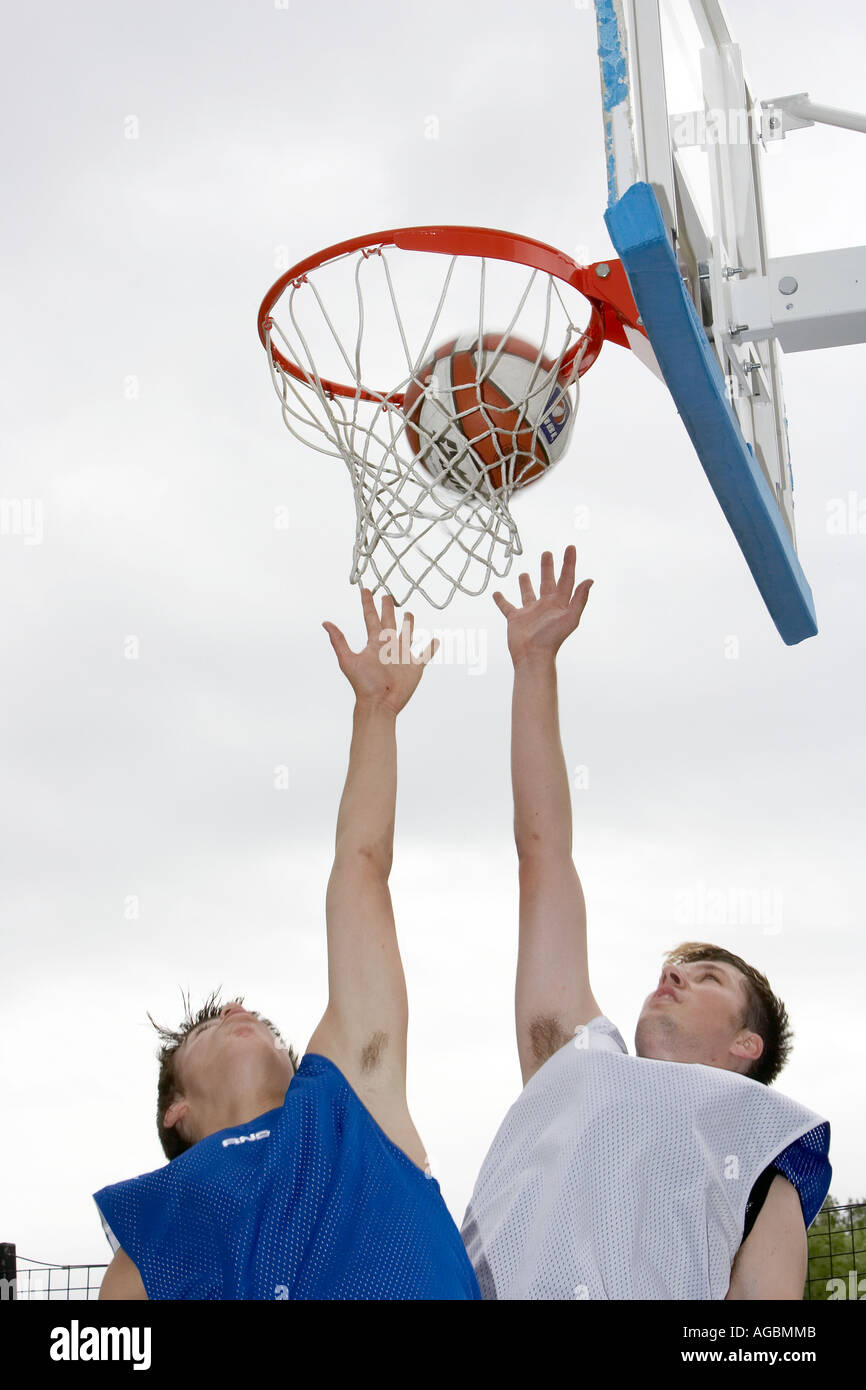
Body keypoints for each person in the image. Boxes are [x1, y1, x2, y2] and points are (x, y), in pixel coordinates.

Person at [461, 547, 831, 1300]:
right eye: (678, 966)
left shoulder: (764, 1138)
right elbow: (544, 857)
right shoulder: (577, 1055)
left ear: (745, 1044)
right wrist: (534, 665)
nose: (673, 976)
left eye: (707, 978)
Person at [96, 590, 480, 1301]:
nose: (242, 1009)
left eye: (264, 1022)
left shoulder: (351, 1102)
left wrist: (377, 712)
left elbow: (361, 869)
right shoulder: (148, 1241)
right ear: (173, 1112)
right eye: (212, 1023)